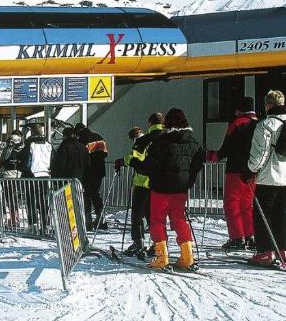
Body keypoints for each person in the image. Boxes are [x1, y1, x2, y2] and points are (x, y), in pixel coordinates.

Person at [134, 108, 205, 270]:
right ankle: (187, 257)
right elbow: (198, 164)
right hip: (181, 188)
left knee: (157, 220)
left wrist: (134, 163)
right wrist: (189, 180)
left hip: (161, 188)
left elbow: (149, 166)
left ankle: (161, 257)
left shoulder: (161, 143)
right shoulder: (194, 143)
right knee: (179, 219)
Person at [247, 90, 286, 268]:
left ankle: (265, 252)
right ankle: (284, 252)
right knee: (280, 214)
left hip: (269, 176)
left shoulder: (265, 125)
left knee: (263, 215)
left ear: (267, 105)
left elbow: (261, 153)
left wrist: (251, 169)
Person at [217, 96, 259, 251]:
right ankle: (251, 236)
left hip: (235, 169)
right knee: (248, 205)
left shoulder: (237, 123)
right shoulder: (259, 124)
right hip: (253, 170)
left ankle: (237, 237)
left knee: (232, 204)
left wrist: (214, 155)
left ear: (241, 109)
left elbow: (226, 148)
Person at [119, 114, 163, 257]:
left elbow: (135, 158)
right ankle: (158, 243)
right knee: (153, 215)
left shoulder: (143, 140)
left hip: (142, 182)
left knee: (137, 214)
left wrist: (123, 161)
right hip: (158, 183)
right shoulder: (166, 137)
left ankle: (138, 242)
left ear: (150, 123)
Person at [75, 123, 109, 230]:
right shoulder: (99, 137)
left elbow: (82, 156)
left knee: (87, 195)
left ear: (78, 131)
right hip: (99, 170)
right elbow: (105, 154)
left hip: (88, 171)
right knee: (96, 194)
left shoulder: (82, 139)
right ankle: (101, 219)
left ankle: (88, 221)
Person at [24, 124, 53, 233]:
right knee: (43, 200)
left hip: (31, 174)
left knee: (31, 200)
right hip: (45, 174)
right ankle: (46, 224)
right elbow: (52, 158)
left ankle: (33, 224)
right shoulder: (48, 144)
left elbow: (26, 159)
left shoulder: (30, 143)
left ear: (31, 132)